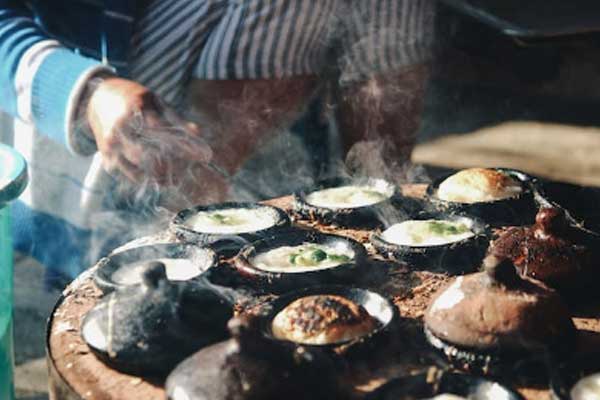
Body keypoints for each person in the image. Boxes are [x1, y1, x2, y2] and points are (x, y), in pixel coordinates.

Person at [0, 0, 435, 286]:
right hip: (104, 144)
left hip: (276, 139)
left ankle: (383, 223)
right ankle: (176, 254)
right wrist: (88, 95)